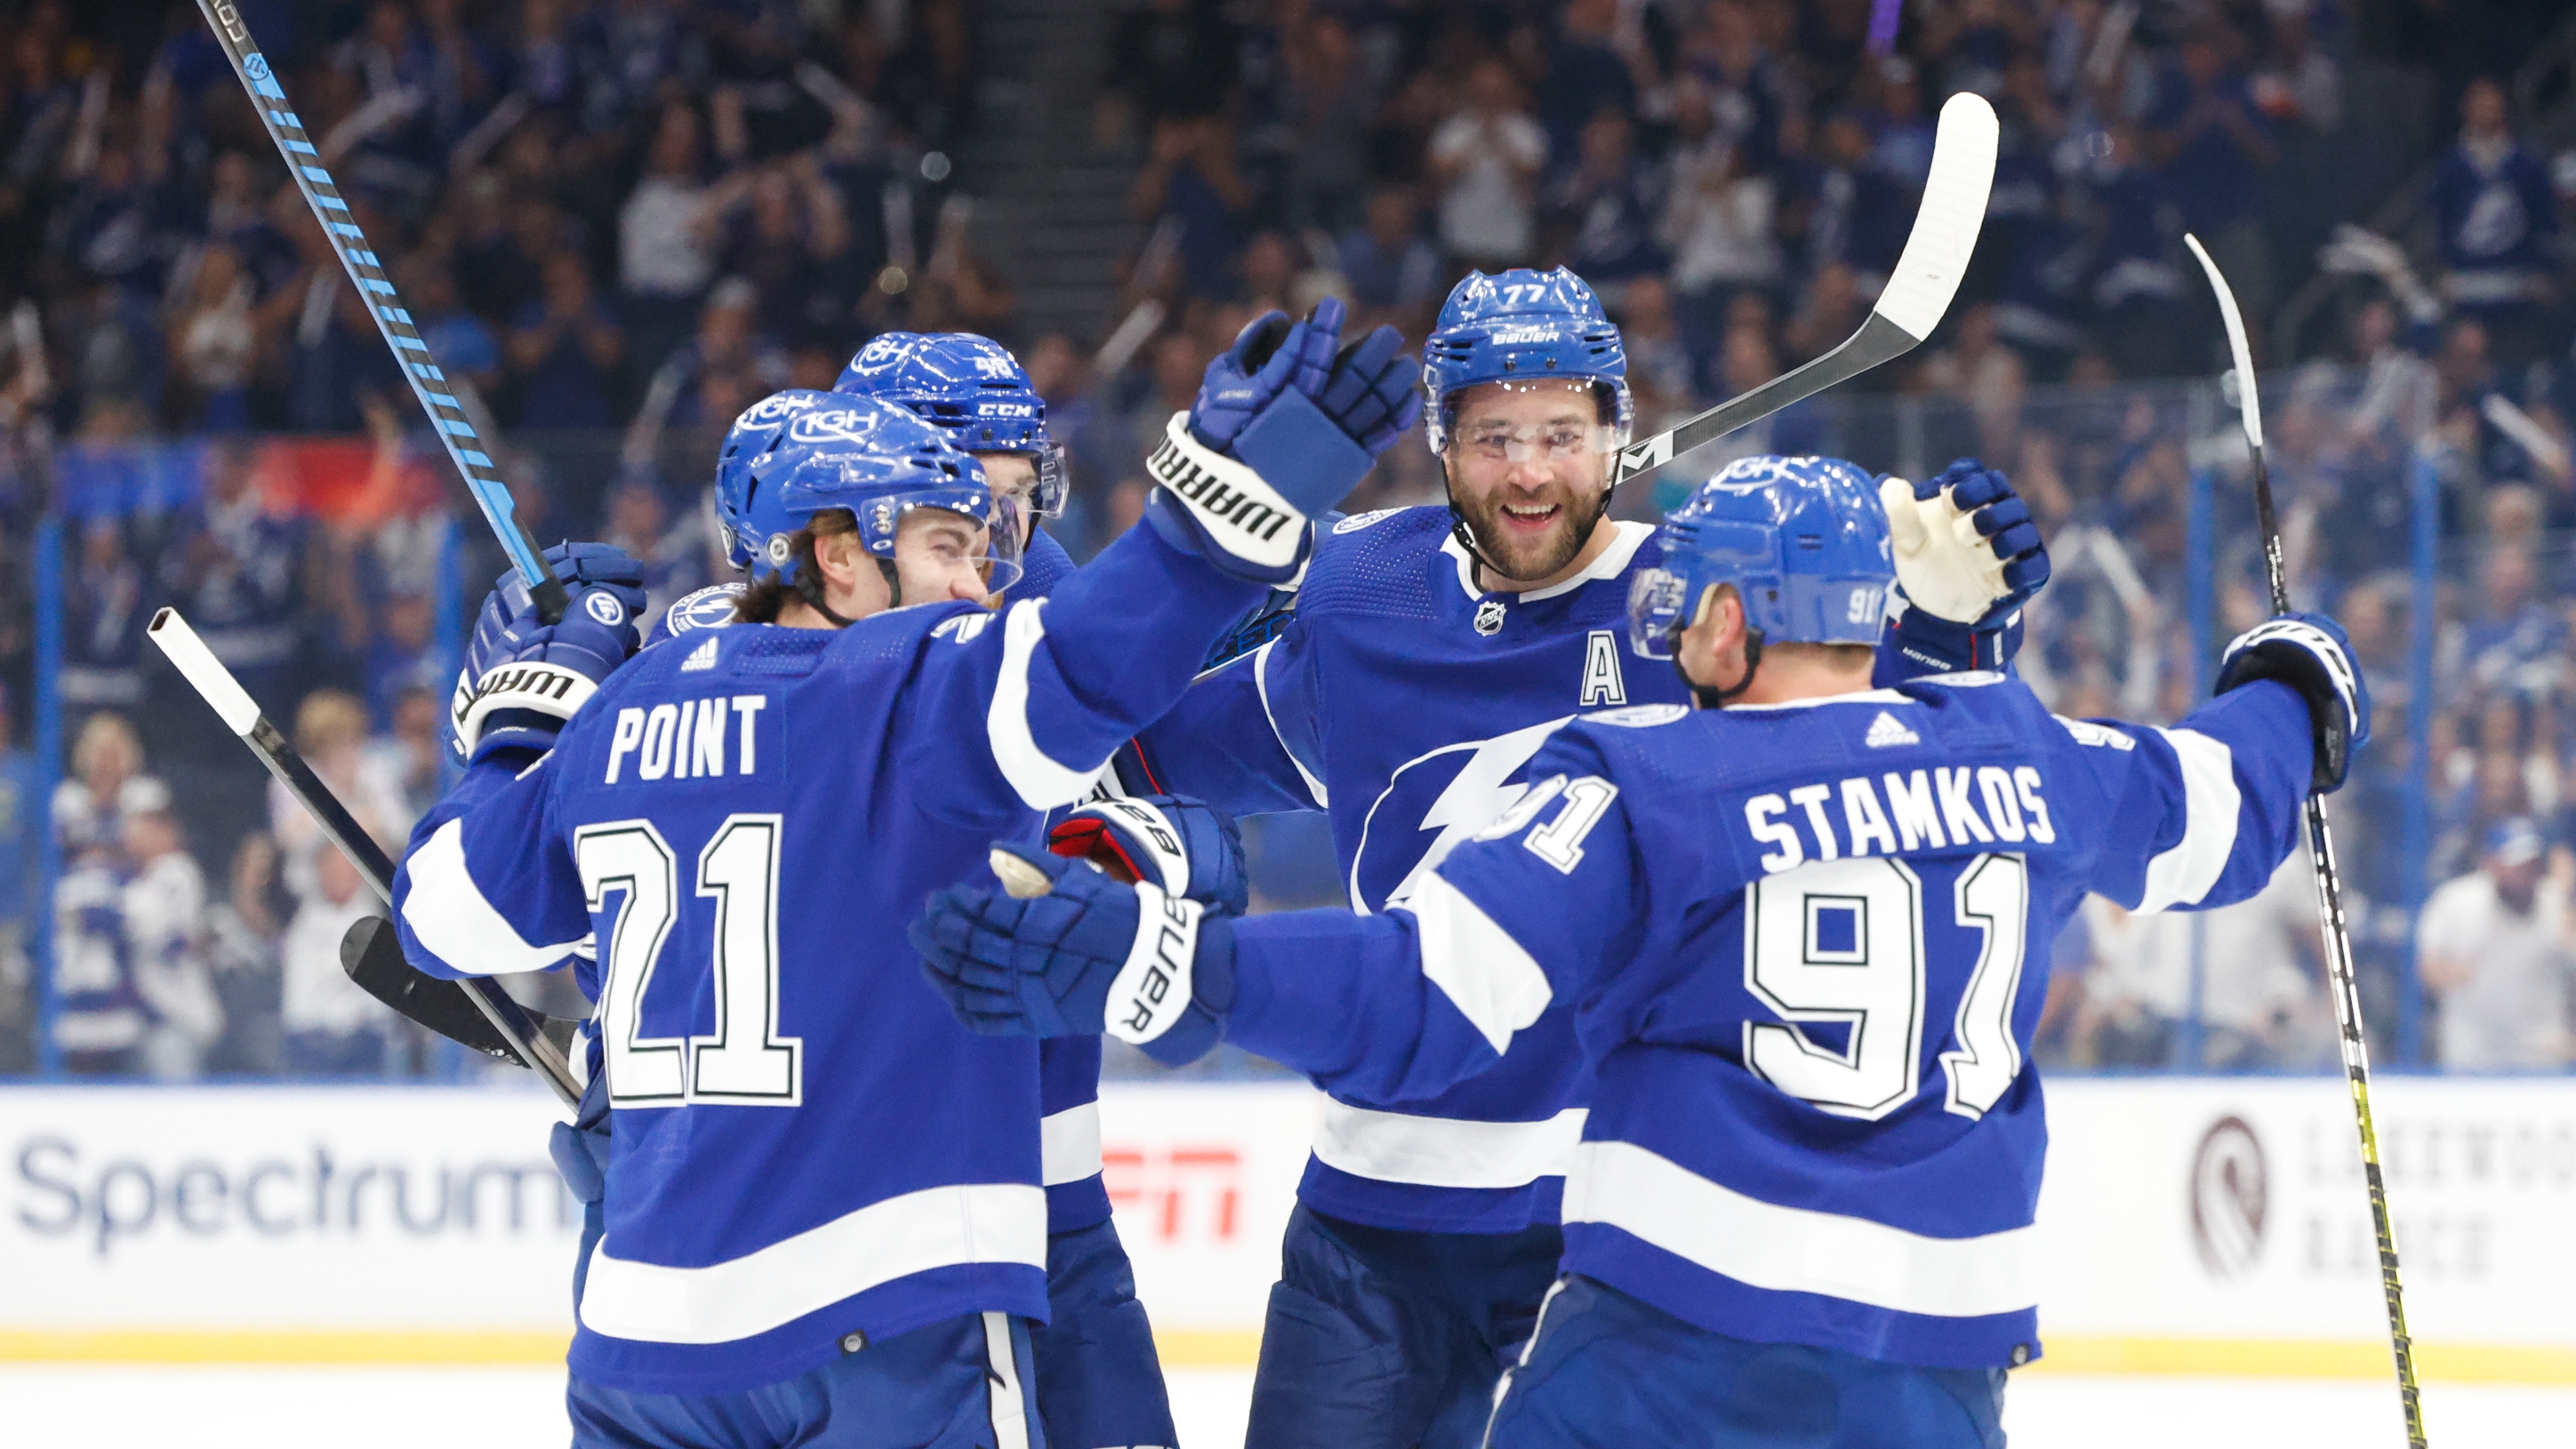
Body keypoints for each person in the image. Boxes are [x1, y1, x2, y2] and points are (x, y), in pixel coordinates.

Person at [914, 458, 2366, 1448]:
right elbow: (2226, 810)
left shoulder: (1645, 777)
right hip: (1942, 1364)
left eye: (1688, 611)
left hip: (1680, 1342)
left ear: (1729, 618)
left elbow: (1426, 997)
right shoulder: (2025, 749)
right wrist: (2297, 686)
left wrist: (1176, 960)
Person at [390, 302, 1416, 1445]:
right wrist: (1230, 515)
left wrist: (520, 733)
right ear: (843, 530)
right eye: (960, 520)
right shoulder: (918, 666)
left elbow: (456, 907)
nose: (998, 553)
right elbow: (1112, 666)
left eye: (1014, 505)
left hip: (685, 1289)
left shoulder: (653, 681)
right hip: (903, 1256)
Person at [1098, 268, 2048, 1448]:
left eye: (1561, 432)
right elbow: (1138, 749)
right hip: (1371, 1221)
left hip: (1615, 1239)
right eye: (1494, 435)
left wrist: (1957, 638)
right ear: (1442, 445)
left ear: (1616, 434)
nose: (1530, 470)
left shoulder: (1710, 600)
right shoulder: (1358, 595)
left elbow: (1913, 769)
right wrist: (1199, 574)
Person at [2417, 817, 2575, 1070]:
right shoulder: (2457, 902)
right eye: (2515, 865)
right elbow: (2427, 970)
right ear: (2491, 863)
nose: (2523, 874)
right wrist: (2451, 973)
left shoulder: (2557, 905)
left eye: (2530, 865)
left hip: (2542, 1061)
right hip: (2471, 1058)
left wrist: (2568, 897)